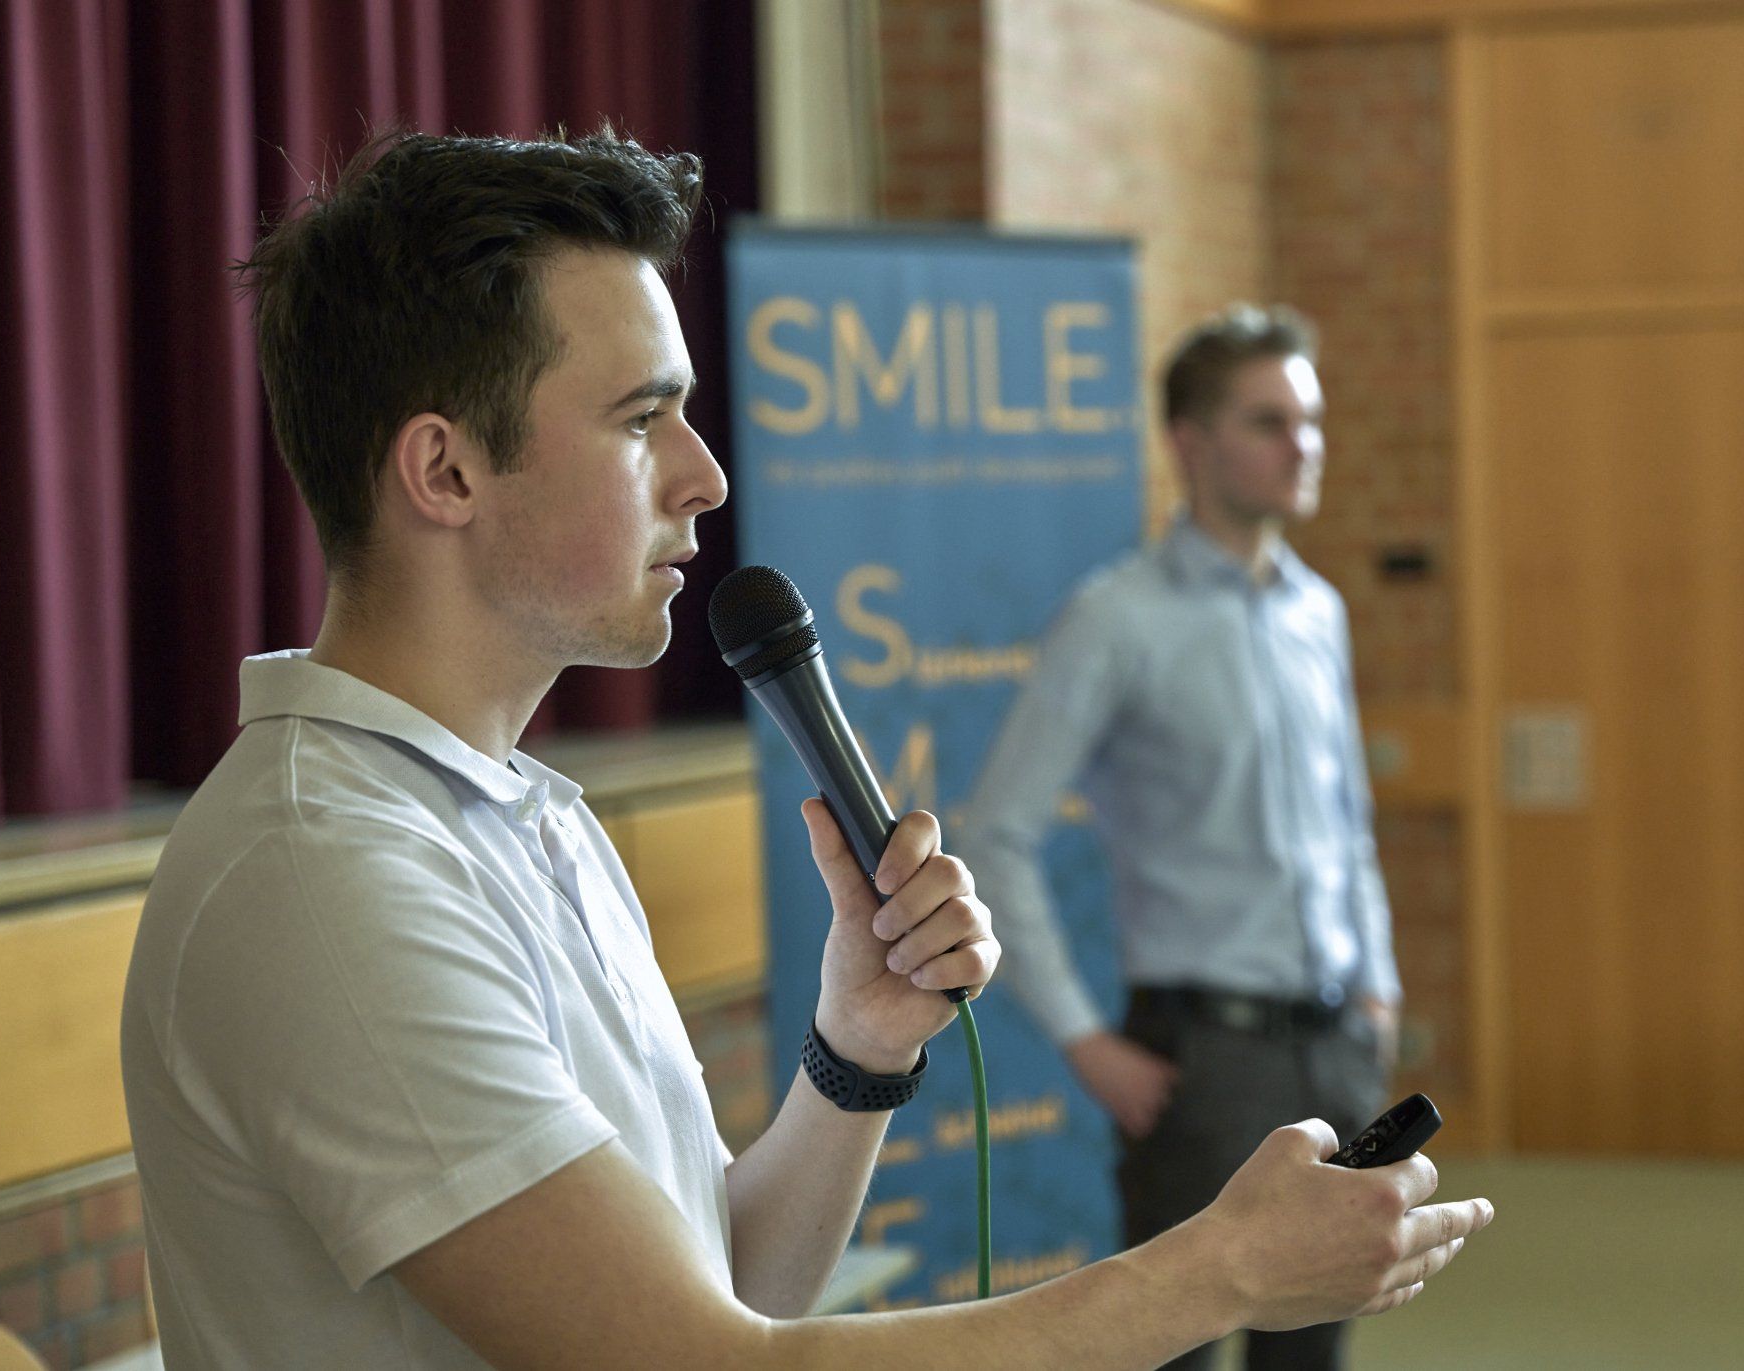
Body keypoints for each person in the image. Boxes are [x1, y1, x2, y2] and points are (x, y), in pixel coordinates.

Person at [120, 130, 1487, 1370]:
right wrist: (1224, 1261)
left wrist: (854, 1049)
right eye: (641, 418)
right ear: (446, 472)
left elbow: (727, 1283)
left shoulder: (520, 812)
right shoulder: (327, 872)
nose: (706, 474)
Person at [964, 304, 1404, 1370]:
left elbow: (1346, 830)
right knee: (1174, 1352)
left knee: (1312, 1351)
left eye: (1310, 421)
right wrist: (1082, 1038)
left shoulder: (1319, 612)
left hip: (1336, 1046)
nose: (1303, 446)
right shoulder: (1115, 619)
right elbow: (996, 836)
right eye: (1269, 422)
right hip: (1201, 1065)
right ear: (1189, 444)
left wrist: (1379, 989)